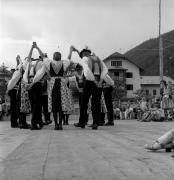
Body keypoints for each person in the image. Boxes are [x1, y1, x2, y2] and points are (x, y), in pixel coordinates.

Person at [27, 43, 74, 130]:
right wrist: (71, 50)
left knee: (55, 105)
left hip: (53, 85)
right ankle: (59, 124)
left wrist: (37, 47)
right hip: (61, 85)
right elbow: (69, 58)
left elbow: (43, 56)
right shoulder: (63, 63)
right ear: (59, 57)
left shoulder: (49, 63)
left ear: (53, 57)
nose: (56, 55)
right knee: (60, 105)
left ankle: (57, 124)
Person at [69, 46, 108, 130]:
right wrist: (100, 80)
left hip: (89, 82)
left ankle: (82, 122)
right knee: (96, 103)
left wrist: (94, 81)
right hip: (99, 82)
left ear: (83, 54)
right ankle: (95, 123)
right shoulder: (98, 59)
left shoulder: (85, 59)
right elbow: (105, 70)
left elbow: (86, 71)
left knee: (83, 103)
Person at [24, 43, 44, 130]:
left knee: (33, 104)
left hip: (29, 84)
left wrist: (32, 48)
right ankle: (34, 124)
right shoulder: (40, 63)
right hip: (37, 84)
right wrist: (37, 47)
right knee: (37, 104)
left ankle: (39, 121)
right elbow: (43, 56)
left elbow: (28, 57)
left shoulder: (29, 63)